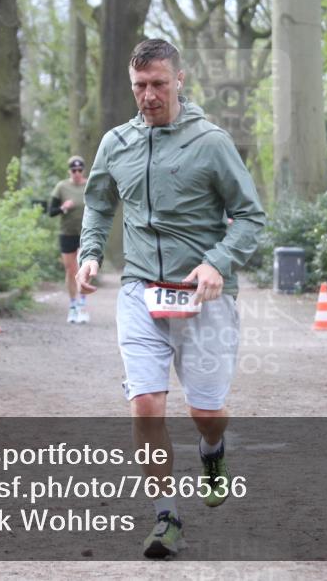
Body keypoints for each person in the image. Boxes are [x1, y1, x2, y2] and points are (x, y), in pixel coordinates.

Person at [76, 39, 265, 559]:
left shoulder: (211, 142)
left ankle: (212, 449)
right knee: (145, 405)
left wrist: (217, 262)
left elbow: (251, 217)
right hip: (139, 291)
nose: (149, 96)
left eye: (159, 84)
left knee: (207, 412)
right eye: (140, 86)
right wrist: (90, 254)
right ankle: (166, 517)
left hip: (202, 296)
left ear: (179, 80)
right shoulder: (116, 143)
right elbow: (98, 205)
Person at [48, 156, 89, 323]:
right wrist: (63, 207)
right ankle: (73, 306)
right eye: (74, 170)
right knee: (71, 270)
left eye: (80, 170)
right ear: (69, 171)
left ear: (83, 170)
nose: (77, 173)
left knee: (85, 268)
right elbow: (51, 212)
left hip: (87, 233)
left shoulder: (90, 185)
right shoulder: (62, 187)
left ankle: (83, 304)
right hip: (67, 233)